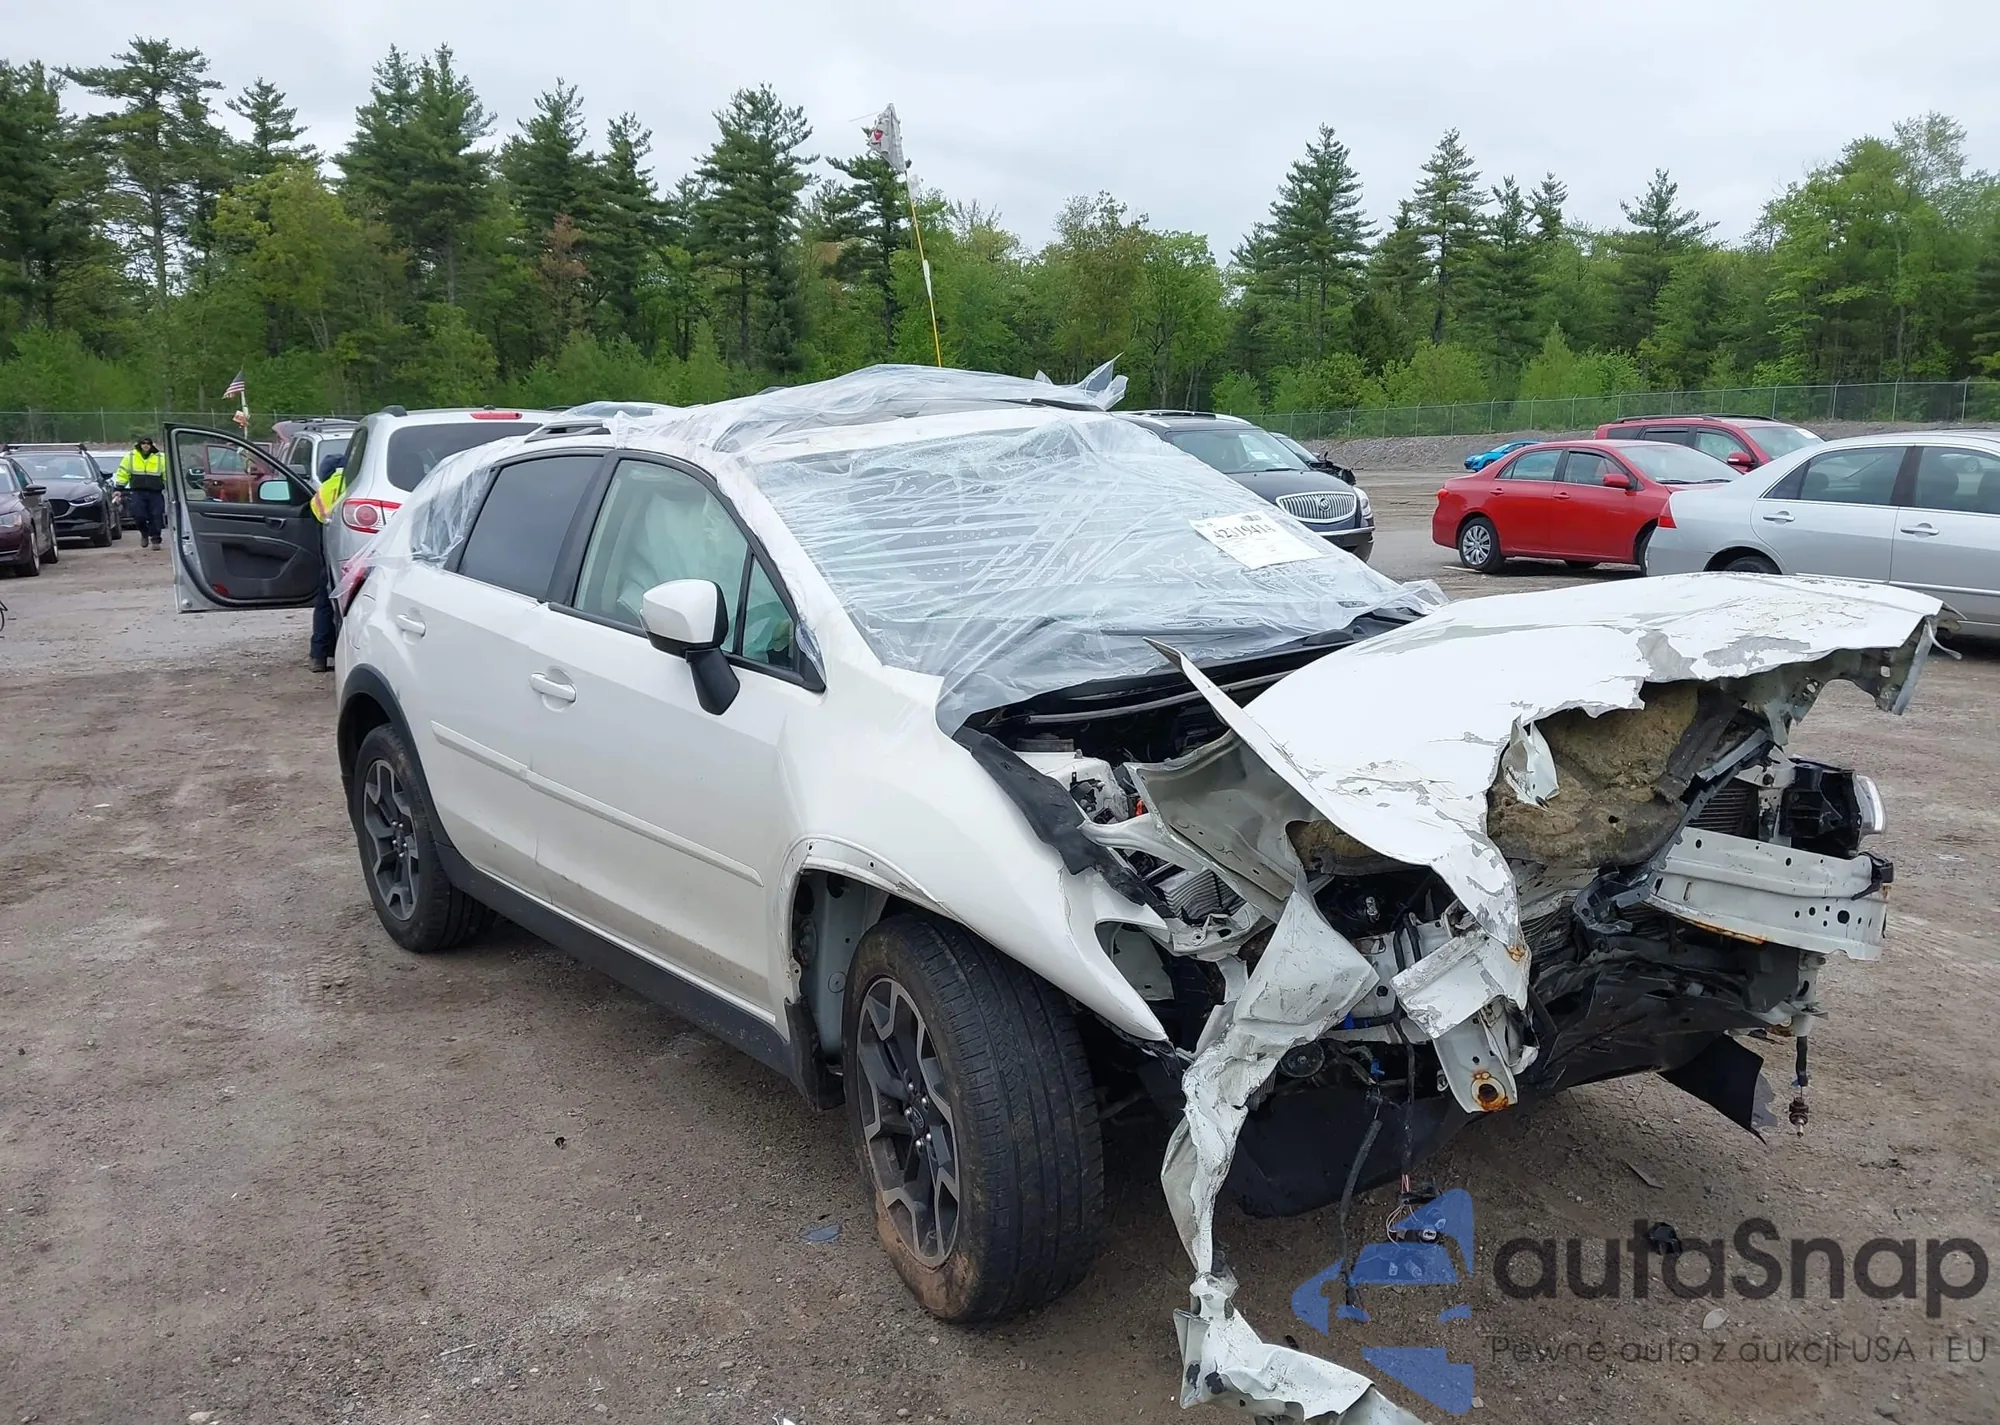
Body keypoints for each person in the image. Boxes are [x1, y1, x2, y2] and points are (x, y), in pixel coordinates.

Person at [306, 461, 345, 672]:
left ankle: (318, 656)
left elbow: (318, 525)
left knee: (324, 603)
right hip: (357, 554)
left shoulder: (323, 491)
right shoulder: (356, 483)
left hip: (330, 556)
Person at [113, 435, 167, 547]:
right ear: (139, 445)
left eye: (148, 443)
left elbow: (167, 473)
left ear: (151, 445)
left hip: (155, 492)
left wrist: (171, 487)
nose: (146, 445)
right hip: (138, 492)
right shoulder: (131, 457)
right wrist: (119, 489)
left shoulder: (160, 457)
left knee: (156, 516)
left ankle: (156, 539)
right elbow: (123, 472)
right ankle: (144, 534)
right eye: (143, 443)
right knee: (138, 516)